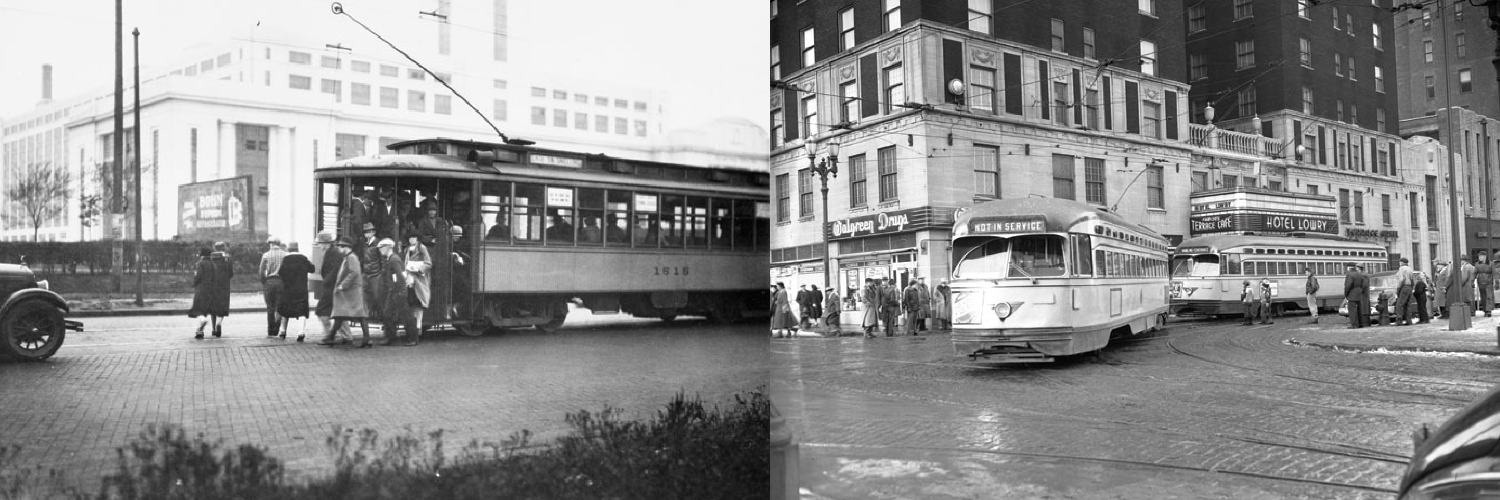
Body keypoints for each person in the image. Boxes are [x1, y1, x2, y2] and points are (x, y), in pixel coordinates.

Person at [326, 237, 373, 348]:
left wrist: (343, 285)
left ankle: (331, 337)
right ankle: (331, 337)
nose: (338, 249)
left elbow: (354, 273)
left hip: (351, 292)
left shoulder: (351, 258)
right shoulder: (349, 257)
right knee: (342, 314)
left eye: (340, 247)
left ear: (345, 248)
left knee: (353, 314)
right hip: (350, 292)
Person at [315, 230, 352, 345]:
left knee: (321, 310)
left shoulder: (334, 253)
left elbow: (336, 270)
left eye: (320, 243)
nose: (318, 245)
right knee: (338, 311)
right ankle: (346, 336)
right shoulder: (331, 251)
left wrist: (327, 280)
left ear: (326, 243)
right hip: (332, 286)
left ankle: (328, 336)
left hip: (331, 287)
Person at [276, 241, 315, 342]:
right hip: (301, 289)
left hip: (288, 289)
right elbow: (312, 269)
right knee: (302, 311)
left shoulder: (285, 259)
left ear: (289, 249)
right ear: (298, 249)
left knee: (286, 310)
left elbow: (280, 273)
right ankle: (300, 332)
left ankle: (282, 332)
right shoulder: (303, 259)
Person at [188, 247, 229, 339]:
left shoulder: (200, 264)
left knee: (198, 309)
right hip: (211, 290)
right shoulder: (213, 264)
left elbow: (198, 276)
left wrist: (194, 283)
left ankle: (202, 322)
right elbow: (215, 279)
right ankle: (199, 331)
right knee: (207, 309)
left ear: (202, 255)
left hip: (201, 289)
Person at [373, 238, 408, 346]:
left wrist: (401, 290)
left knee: (388, 314)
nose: (380, 250)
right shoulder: (391, 259)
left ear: (388, 247)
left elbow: (401, 276)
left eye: (381, 248)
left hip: (395, 291)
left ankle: (392, 338)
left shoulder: (393, 259)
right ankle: (391, 337)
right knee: (390, 314)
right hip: (393, 291)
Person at [404, 233, 433, 346]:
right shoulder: (407, 249)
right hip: (410, 281)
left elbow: (428, 263)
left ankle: (416, 335)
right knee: (413, 307)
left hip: (419, 281)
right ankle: (415, 334)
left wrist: (417, 268)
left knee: (418, 306)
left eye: (413, 237)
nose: (411, 239)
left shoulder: (422, 248)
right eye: (410, 237)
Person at [259, 236, 288, 337]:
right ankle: (277, 325)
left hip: (269, 282)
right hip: (280, 282)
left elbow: (261, 270)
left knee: (270, 308)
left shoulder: (266, 255)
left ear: (271, 244)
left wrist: (264, 281)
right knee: (279, 306)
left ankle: (270, 330)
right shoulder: (285, 255)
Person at [1345, 264, 1368, 329]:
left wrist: (1346, 294)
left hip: (1352, 293)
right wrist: (1361, 290)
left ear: (1349, 267)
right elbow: (1364, 284)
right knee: (1359, 309)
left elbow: (1348, 286)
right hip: (1359, 293)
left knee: (1352, 310)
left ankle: (1354, 324)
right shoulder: (1359, 274)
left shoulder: (1350, 274)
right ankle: (1360, 323)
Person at [1394, 257, 1415, 325]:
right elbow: (1412, 280)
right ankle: (1409, 320)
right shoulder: (1410, 269)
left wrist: (1398, 289)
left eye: (1400, 262)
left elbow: (1401, 279)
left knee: (1400, 304)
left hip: (1404, 287)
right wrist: (1411, 287)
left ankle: (1399, 321)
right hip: (1409, 287)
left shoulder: (1401, 269)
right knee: (1408, 305)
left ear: (1402, 262)